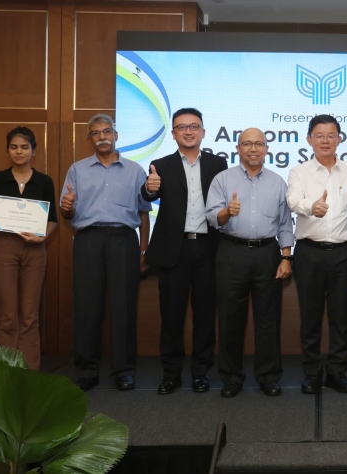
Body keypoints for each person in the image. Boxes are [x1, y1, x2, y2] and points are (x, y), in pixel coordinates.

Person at [60, 114, 151, 392]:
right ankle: (87, 370)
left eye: (107, 131)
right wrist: (67, 208)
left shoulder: (135, 171)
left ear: (116, 135)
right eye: (96, 133)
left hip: (124, 240)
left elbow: (144, 213)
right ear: (89, 139)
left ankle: (124, 371)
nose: (102, 137)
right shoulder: (77, 169)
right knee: (87, 307)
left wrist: (144, 250)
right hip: (88, 240)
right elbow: (67, 212)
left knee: (124, 307)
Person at [141, 108, 228, 395]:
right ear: (174, 133)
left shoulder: (218, 163)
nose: (188, 131)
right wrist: (149, 188)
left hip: (208, 247)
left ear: (203, 132)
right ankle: (171, 374)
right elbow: (149, 192)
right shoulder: (160, 165)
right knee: (171, 316)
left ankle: (201, 373)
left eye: (193, 126)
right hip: (173, 250)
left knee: (205, 315)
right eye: (182, 127)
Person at [206, 128, 294, 398]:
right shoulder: (222, 179)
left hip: (268, 253)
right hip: (231, 252)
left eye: (258, 144)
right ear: (238, 149)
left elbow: (285, 223)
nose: (253, 149)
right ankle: (231, 377)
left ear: (267, 149)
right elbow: (212, 217)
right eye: (247, 144)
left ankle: (269, 376)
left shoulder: (278, 182)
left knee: (268, 319)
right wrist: (226, 212)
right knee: (230, 317)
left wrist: (286, 257)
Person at [287, 115, 347, 395]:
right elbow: (293, 200)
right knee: (311, 316)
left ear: (340, 139)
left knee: (340, 317)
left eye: (331, 135)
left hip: (344, 253)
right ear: (309, 139)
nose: (325, 140)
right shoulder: (299, 172)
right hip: (310, 253)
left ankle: (337, 372)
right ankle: (312, 372)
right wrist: (311, 207)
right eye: (319, 135)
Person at [0, 127, 58, 370]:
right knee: (7, 315)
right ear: (7, 151)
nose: (19, 151)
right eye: (14, 147)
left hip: (35, 249)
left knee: (30, 315)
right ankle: (5, 371)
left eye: (24, 147)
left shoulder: (44, 181)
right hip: (5, 246)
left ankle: (30, 371)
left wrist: (42, 237)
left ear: (33, 151)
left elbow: (52, 219)